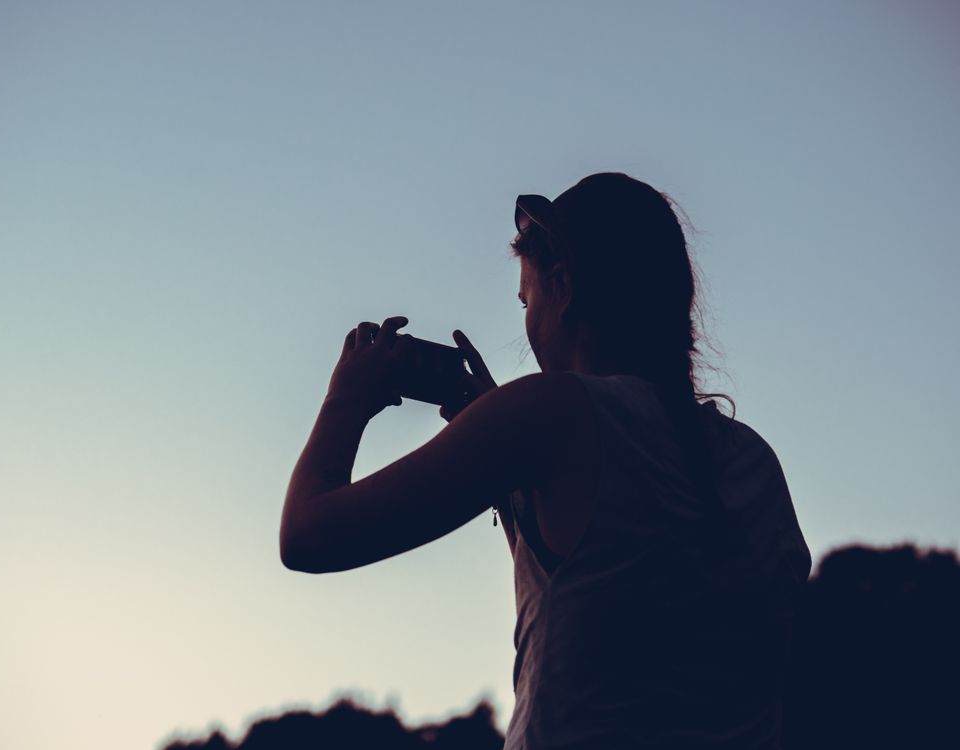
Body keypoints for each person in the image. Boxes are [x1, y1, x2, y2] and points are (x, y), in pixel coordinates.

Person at [280, 171, 812, 749]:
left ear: (564, 286)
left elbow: (309, 537)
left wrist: (346, 399)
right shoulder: (755, 462)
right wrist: (509, 470)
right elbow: (601, 582)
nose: (529, 322)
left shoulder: (553, 411)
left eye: (527, 299)